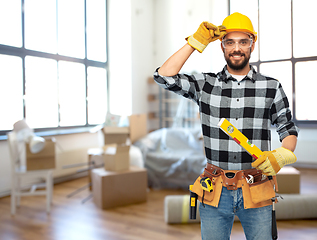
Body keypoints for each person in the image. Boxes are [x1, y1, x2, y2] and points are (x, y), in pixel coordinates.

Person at [153, 12, 298, 240]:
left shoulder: (271, 86)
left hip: (257, 186)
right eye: (230, 42)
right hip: (215, 188)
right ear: (221, 46)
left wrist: (283, 154)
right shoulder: (205, 84)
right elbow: (164, 76)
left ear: (252, 44)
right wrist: (194, 42)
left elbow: (287, 128)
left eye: (243, 41)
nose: (236, 48)